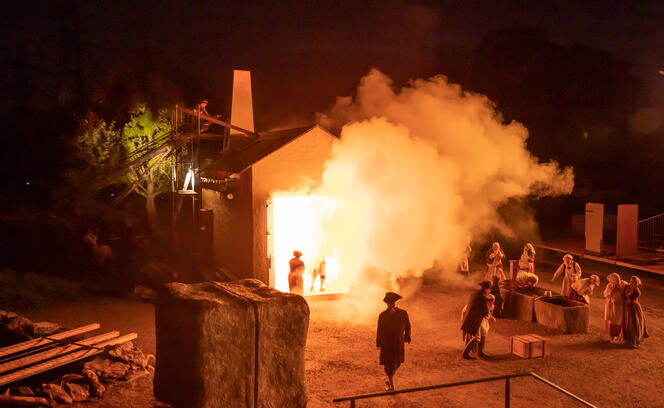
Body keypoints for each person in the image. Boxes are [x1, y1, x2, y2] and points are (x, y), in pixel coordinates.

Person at [376, 292, 411, 391]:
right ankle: (391, 385)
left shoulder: (402, 313)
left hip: (394, 343)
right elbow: (380, 330)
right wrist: (379, 342)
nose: (390, 304)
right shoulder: (383, 315)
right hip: (390, 343)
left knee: (396, 363)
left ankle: (390, 380)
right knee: (390, 366)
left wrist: (407, 336)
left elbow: (407, 326)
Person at [461, 281, 496, 359]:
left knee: (483, 333)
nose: (490, 291)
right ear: (486, 289)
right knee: (476, 337)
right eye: (489, 289)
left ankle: (480, 352)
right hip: (475, 319)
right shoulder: (482, 298)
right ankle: (465, 354)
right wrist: (490, 315)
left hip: (475, 317)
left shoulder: (476, 294)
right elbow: (485, 313)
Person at [623, 276, 648, 348]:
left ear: (636, 283)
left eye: (633, 282)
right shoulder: (627, 287)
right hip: (628, 307)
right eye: (631, 281)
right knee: (628, 323)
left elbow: (630, 298)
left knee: (635, 324)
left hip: (634, 308)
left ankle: (636, 341)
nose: (631, 283)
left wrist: (629, 294)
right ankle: (628, 339)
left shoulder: (637, 291)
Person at [604, 273, 627, 343]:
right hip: (610, 305)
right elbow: (605, 293)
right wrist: (609, 294)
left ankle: (618, 336)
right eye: (612, 280)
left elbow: (624, 294)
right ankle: (611, 336)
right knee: (610, 320)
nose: (612, 282)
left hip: (618, 306)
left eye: (614, 280)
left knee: (617, 320)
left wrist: (618, 295)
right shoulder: (609, 286)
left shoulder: (622, 286)